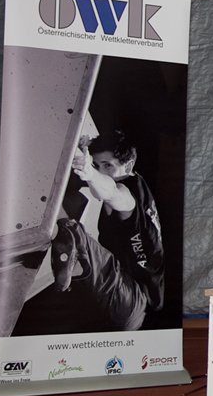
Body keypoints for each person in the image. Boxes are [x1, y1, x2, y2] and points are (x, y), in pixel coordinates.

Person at [51, 129, 164, 331]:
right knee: (72, 201)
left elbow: (111, 192)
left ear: (128, 165)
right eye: (97, 165)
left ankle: (72, 270)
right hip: (125, 306)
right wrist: (84, 149)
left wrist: (90, 172)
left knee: (73, 232)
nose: (102, 171)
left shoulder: (128, 195)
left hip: (129, 302)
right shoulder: (137, 182)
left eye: (108, 165)